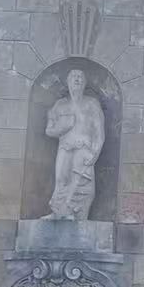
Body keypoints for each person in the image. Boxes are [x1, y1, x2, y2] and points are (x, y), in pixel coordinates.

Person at [43, 68, 106, 220]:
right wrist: (62, 127)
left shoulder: (91, 103)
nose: (77, 79)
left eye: (80, 77)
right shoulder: (60, 105)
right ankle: (59, 212)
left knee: (80, 180)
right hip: (65, 147)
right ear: (68, 82)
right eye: (73, 76)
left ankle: (77, 214)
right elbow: (49, 130)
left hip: (84, 148)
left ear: (84, 82)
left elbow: (99, 132)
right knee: (61, 180)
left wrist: (95, 152)